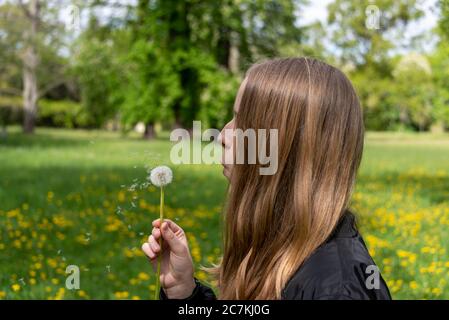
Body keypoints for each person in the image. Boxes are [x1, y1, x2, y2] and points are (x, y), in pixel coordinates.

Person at [142, 57, 392, 300]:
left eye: (242, 121)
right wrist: (184, 292)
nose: (222, 136)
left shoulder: (336, 289)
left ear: (286, 148)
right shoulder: (281, 246)